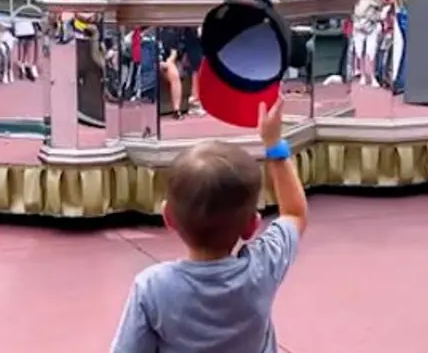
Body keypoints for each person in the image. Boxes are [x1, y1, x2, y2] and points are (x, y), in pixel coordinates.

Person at [110, 99, 307, 352]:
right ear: (251, 226)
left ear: (168, 217)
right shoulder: (262, 269)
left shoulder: (152, 287)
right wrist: (274, 145)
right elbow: (294, 213)